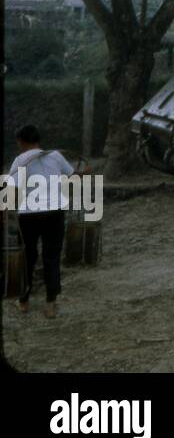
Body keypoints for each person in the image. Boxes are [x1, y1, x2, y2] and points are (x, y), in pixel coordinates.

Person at [3, 124, 86, 317]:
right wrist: (85, 171)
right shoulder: (55, 156)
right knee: (52, 257)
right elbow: (73, 177)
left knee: (28, 258)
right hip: (55, 213)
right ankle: (50, 304)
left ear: (21, 142)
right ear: (38, 140)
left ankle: (23, 301)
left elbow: (9, 187)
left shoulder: (20, 160)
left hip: (29, 216)